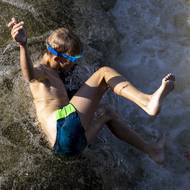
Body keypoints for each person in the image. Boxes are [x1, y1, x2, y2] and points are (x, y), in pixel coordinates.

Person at [8, 17, 175, 163]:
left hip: (64, 148)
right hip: (63, 128)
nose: (76, 64)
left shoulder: (55, 72)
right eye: (74, 59)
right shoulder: (42, 72)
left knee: (107, 113)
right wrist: (23, 45)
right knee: (103, 73)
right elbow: (29, 75)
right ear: (58, 58)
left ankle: (152, 151)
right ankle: (146, 102)